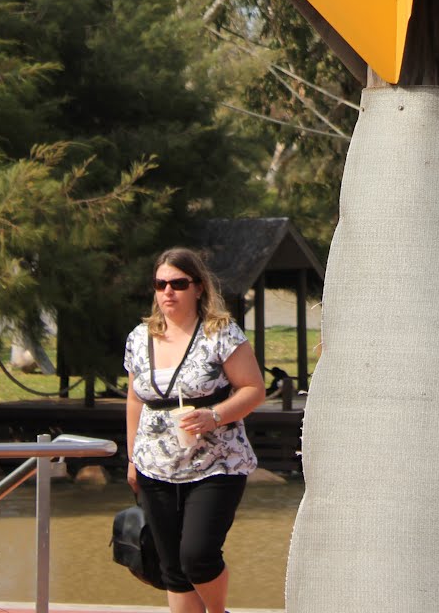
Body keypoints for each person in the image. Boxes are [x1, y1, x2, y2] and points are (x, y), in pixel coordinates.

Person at [125, 247, 266, 613]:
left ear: (199, 287)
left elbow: (254, 389)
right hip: (155, 467)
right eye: (160, 284)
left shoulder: (221, 333)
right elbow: (135, 400)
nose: (168, 292)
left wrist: (214, 416)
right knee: (172, 568)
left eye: (178, 284)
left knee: (198, 556)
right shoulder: (139, 338)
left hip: (216, 463)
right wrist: (132, 459)